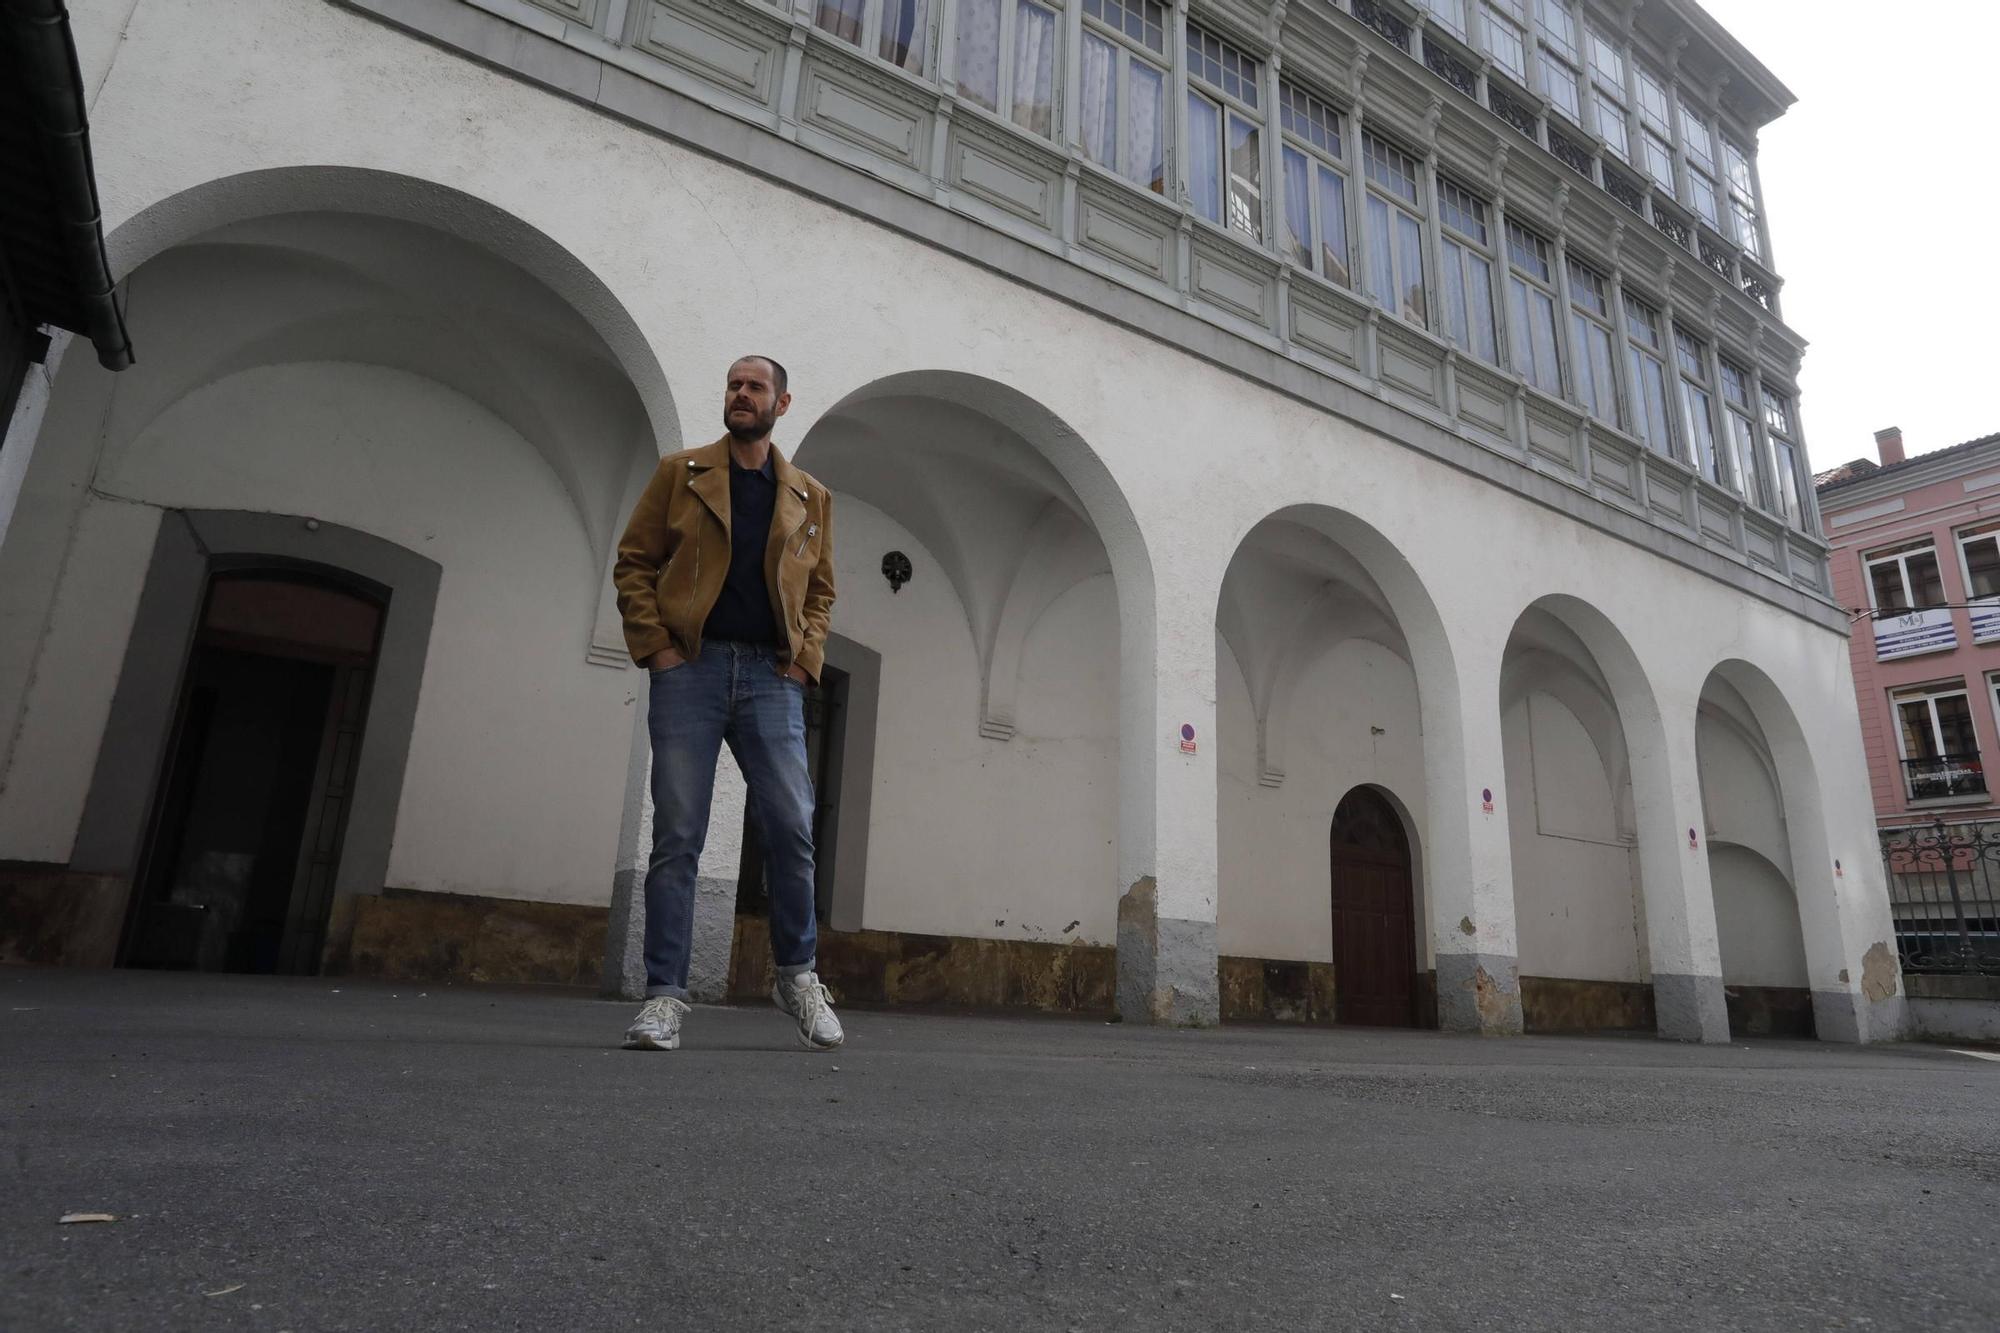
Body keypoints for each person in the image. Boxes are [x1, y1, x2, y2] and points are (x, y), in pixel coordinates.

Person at [612, 355, 842, 1052]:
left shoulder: (810, 496)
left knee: (792, 829)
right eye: (733, 386)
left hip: (773, 677)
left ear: (782, 402)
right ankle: (664, 996)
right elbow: (634, 562)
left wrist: (805, 659)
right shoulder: (680, 474)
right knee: (677, 835)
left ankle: (797, 975)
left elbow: (823, 591)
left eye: (754, 387)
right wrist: (658, 647)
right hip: (693, 667)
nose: (740, 395)